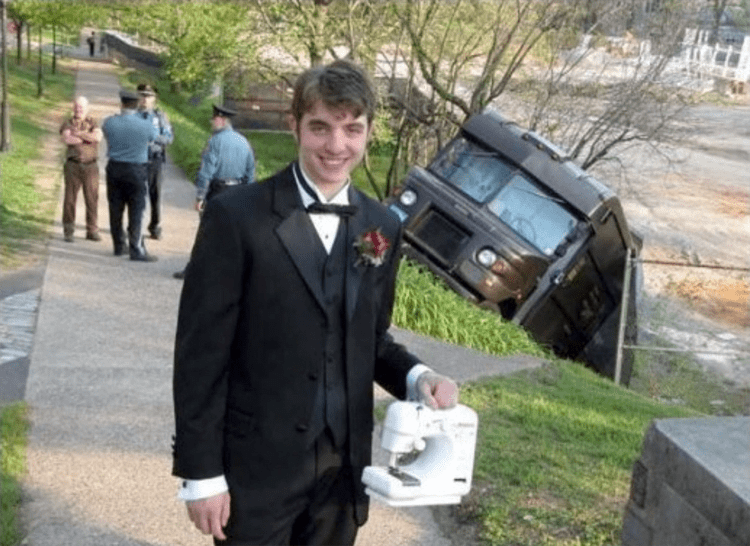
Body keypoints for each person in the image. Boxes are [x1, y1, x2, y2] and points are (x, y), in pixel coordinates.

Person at [172, 59, 459, 546]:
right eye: (321, 127)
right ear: (294, 125)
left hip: (341, 474)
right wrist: (201, 474)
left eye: (352, 129)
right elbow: (200, 356)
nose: (336, 145)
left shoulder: (382, 226)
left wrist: (418, 376)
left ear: (369, 130)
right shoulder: (236, 218)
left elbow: (369, 337)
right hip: (254, 471)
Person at [172, 103, 255, 279]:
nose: (211, 121)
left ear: (222, 120)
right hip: (239, 192)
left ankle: (194, 270)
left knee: (206, 232)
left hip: (218, 192)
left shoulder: (215, 141)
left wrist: (200, 196)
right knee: (232, 234)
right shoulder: (244, 141)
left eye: (214, 118)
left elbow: (206, 171)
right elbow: (250, 172)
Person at [101, 89, 159, 262]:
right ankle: (136, 248)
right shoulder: (145, 124)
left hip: (115, 167)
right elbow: (153, 138)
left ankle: (118, 245)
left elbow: (106, 135)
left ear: (122, 104)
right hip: (136, 169)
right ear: (136, 104)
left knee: (115, 207)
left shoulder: (109, 122)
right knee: (136, 209)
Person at [59, 96, 103, 243]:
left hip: (91, 166)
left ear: (87, 108)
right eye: (77, 107)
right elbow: (67, 139)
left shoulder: (93, 122)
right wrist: (85, 138)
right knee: (70, 199)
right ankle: (68, 231)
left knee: (92, 199)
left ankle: (92, 230)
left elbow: (97, 137)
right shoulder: (68, 123)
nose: (79, 110)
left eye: (82, 107)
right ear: (73, 108)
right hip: (73, 165)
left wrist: (80, 135)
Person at [137, 83, 174, 240]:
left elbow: (169, 137)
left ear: (154, 99)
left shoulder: (160, 117)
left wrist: (152, 138)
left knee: (155, 194)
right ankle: (135, 224)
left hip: (154, 159)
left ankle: (155, 225)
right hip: (136, 159)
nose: (145, 99)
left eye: (148, 96)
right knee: (136, 194)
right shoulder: (132, 115)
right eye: (142, 95)